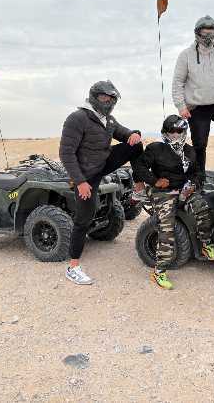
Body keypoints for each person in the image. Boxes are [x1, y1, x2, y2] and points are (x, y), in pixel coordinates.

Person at [59, 80, 144, 285]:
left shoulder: (108, 120)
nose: (108, 101)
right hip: (86, 175)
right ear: (94, 97)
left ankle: (139, 187)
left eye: (111, 98)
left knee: (136, 144)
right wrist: (80, 182)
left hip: (103, 163)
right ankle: (73, 267)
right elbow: (66, 153)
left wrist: (133, 134)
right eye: (104, 98)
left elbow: (123, 133)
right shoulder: (78, 118)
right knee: (84, 219)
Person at [134, 115, 214, 290]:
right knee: (167, 226)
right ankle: (159, 272)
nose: (175, 134)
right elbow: (139, 167)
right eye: (171, 131)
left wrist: (192, 184)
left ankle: (206, 244)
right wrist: (155, 181)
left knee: (202, 207)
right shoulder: (155, 148)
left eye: (179, 131)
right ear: (165, 132)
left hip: (184, 191)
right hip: (162, 192)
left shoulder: (190, 151)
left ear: (184, 132)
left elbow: (198, 173)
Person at [172, 15, 214, 183]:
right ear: (198, 34)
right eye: (205, 33)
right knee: (200, 145)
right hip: (196, 107)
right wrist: (181, 106)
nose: (208, 37)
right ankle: (200, 179)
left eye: (211, 33)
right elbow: (178, 82)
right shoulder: (186, 55)